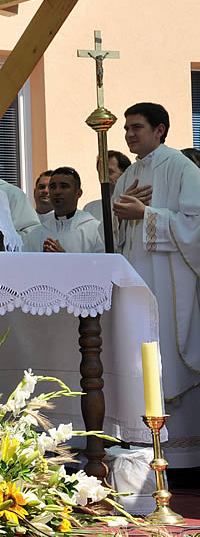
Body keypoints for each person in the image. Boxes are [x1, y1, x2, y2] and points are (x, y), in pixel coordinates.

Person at [112, 102, 200, 467]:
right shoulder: (128, 176)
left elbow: (195, 225)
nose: (129, 134)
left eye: (137, 127)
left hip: (170, 282)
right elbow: (118, 235)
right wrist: (122, 213)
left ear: (159, 130)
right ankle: (144, 450)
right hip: (137, 281)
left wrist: (145, 214)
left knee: (167, 358)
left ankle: (184, 457)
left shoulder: (182, 168)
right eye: (126, 129)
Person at [24, 167, 103, 253]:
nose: (57, 192)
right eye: (53, 187)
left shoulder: (95, 230)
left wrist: (64, 257)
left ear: (78, 193)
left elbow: (103, 261)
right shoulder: (37, 234)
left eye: (64, 186)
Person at [83, 149, 131, 221]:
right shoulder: (90, 209)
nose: (104, 178)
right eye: (101, 173)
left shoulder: (132, 206)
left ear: (124, 174)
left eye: (110, 172)